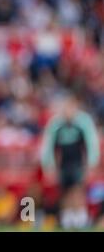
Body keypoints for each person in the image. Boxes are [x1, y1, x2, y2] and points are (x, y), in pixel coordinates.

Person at [41, 94, 100, 229]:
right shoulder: (56, 124)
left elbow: (91, 143)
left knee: (77, 191)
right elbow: (48, 145)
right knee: (65, 192)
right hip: (63, 164)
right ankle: (68, 220)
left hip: (78, 163)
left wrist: (91, 163)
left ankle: (80, 219)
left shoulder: (83, 122)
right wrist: (48, 165)